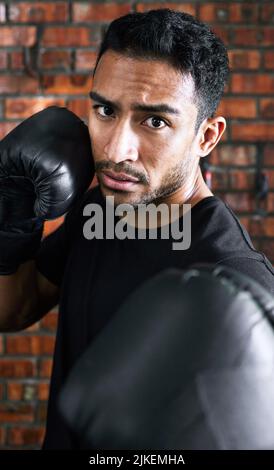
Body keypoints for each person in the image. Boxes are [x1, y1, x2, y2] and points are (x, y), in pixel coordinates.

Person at [0, 9, 273, 449]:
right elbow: (13, 310)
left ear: (207, 137)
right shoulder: (100, 213)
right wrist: (12, 222)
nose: (115, 148)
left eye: (155, 121)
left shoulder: (233, 280)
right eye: (105, 110)